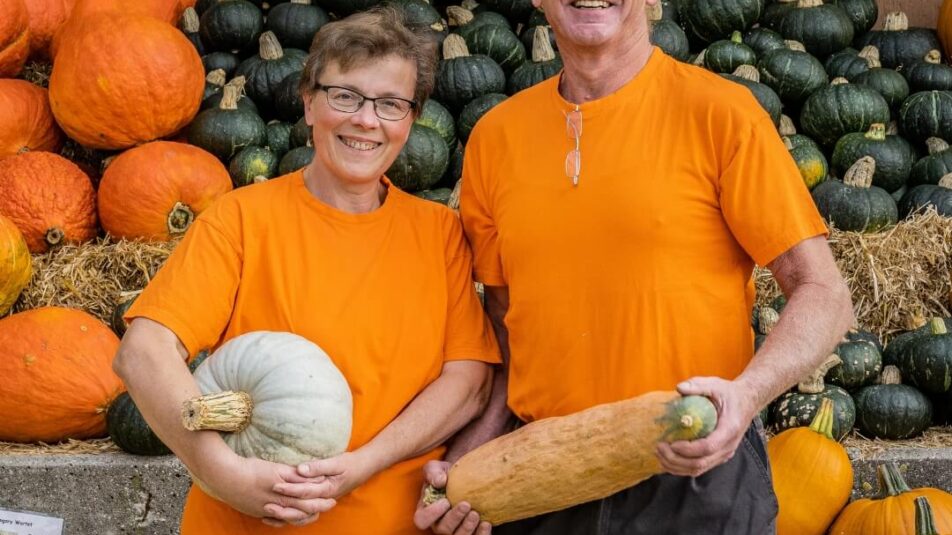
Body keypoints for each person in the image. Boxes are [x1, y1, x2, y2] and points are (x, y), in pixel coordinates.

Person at [414, 0, 854, 533]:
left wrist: (746, 396)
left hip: (693, 469)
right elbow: (507, 339)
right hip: (541, 479)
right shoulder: (495, 137)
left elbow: (823, 291)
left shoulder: (720, 112)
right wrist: (468, 463)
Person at [113, 7, 500, 535]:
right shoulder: (242, 218)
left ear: (411, 120)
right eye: (345, 96)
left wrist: (364, 464)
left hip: (391, 523)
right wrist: (217, 468)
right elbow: (144, 350)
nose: (366, 120)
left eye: (391, 104)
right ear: (309, 103)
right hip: (246, 521)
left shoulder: (440, 232)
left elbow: (469, 380)